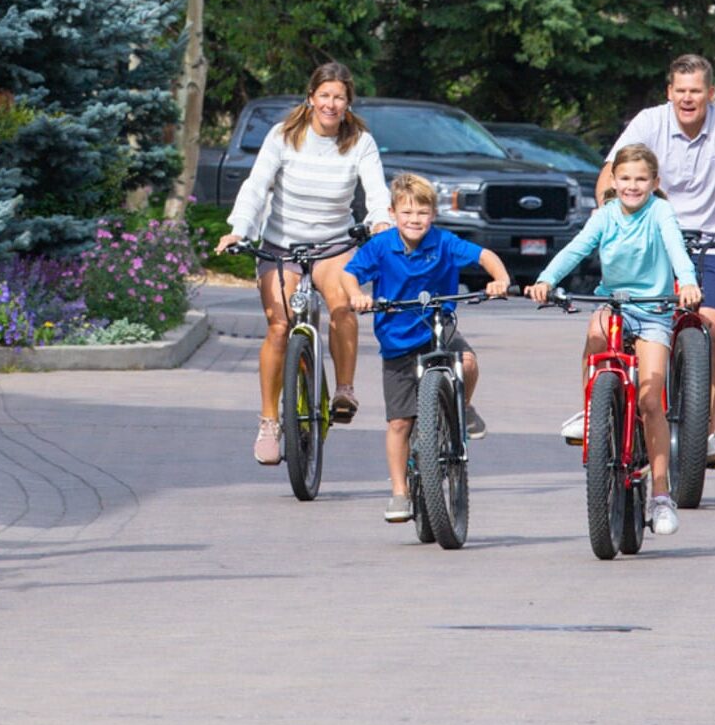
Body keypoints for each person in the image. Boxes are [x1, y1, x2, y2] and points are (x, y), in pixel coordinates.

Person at [598, 54, 715, 471]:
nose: (687, 98)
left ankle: (714, 432)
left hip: (713, 244)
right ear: (669, 92)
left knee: (714, 324)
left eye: (695, 91)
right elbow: (611, 173)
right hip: (653, 241)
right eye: (680, 91)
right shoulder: (648, 122)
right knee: (621, 318)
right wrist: (609, 215)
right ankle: (611, 404)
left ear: (710, 94)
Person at [218, 61, 392, 465]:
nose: (331, 104)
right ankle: (268, 421)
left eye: (339, 97)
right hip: (282, 246)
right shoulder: (283, 136)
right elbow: (256, 186)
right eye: (324, 96)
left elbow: (376, 190)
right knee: (279, 326)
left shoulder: (359, 141)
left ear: (348, 103)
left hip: (334, 244)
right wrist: (240, 229)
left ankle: (344, 390)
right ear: (311, 98)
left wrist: (380, 219)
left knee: (342, 306)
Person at [529, 144, 700, 536]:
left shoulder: (660, 212)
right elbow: (576, 249)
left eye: (641, 179)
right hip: (615, 303)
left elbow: (676, 247)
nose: (633, 186)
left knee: (649, 398)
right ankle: (591, 411)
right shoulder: (605, 217)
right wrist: (546, 280)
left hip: (655, 309)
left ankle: (660, 495)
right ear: (614, 182)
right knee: (595, 329)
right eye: (625, 178)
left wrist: (687, 283)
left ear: (654, 183)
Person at [340, 173, 510, 522]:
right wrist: (357, 293)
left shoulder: (443, 242)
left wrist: (500, 279)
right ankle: (400, 493)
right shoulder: (381, 245)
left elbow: (484, 255)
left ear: (433, 214)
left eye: (422, 213)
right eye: (406, 213)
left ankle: (464, 406)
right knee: (400, 422)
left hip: (437, 326)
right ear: (393, 213)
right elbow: (349, 273)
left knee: (468, 362)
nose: (414, 220)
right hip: (397, 338)